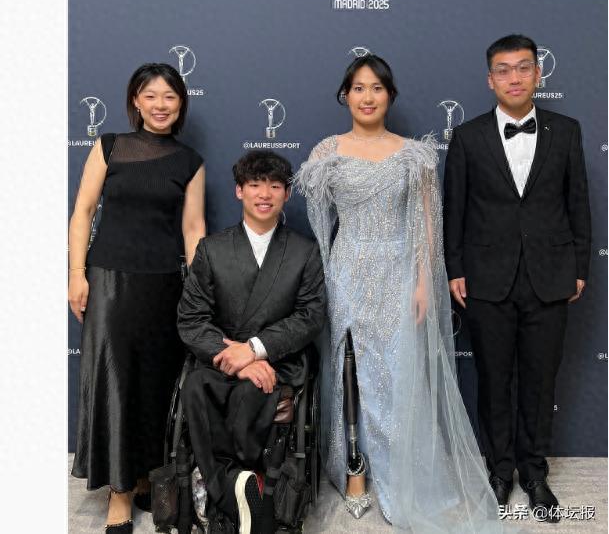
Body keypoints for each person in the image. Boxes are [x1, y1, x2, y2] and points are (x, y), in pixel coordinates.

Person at [294, 54, 501, 532]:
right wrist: (325, 277)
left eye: (377, 88)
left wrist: (425, 282)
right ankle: (354, 468)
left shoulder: (415, 155)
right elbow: (320, 224)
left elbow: (429, 225)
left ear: (390, 95)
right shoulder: (326, 152)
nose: (367, 97)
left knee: (399, 373)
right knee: (349, 369)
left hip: (401, 273)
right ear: (345, 95)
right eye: (358, 88)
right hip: (347, 271)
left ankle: (402, 470)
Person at [443, 34, 591, 523]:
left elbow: (578, 203)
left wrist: (580, 267)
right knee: (493, 379)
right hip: (486, 278)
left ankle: (535, 472)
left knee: (540, 381)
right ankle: (500, 470)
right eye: (503, 70)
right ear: (490, 79)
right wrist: (455, 268)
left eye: (523, 68)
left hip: (551, 276)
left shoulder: (566, 131)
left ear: (538, 74)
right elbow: (454, 209)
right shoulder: (468, 137)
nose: (514, 78)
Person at [69, 63, 205, 534]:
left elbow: (194, 230)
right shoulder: (109, 146)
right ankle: (120, 493)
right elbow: (83, 211)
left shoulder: (190, 161)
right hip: (109, 279)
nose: (160, 105)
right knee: (116, 382)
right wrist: (76, 274)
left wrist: (198, 291)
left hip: (164, 285)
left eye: (169, 96)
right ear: (135, 101)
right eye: (150, 95)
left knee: (155, 384)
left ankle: (146, 475)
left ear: (181, 103)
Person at [177, 151, 326, 534]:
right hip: (222, 360)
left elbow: (310, 316)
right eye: (255, 184)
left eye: (275, 186)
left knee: (252, 392)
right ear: (239, 191)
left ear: (287, 194)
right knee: (195, 386)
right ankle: (239, 492)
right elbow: (191, 320)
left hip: (277, 361)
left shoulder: (305, 252)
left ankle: (220, 496)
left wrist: (256, 349)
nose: (265, 194)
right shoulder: (211, 249)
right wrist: (237, 356)